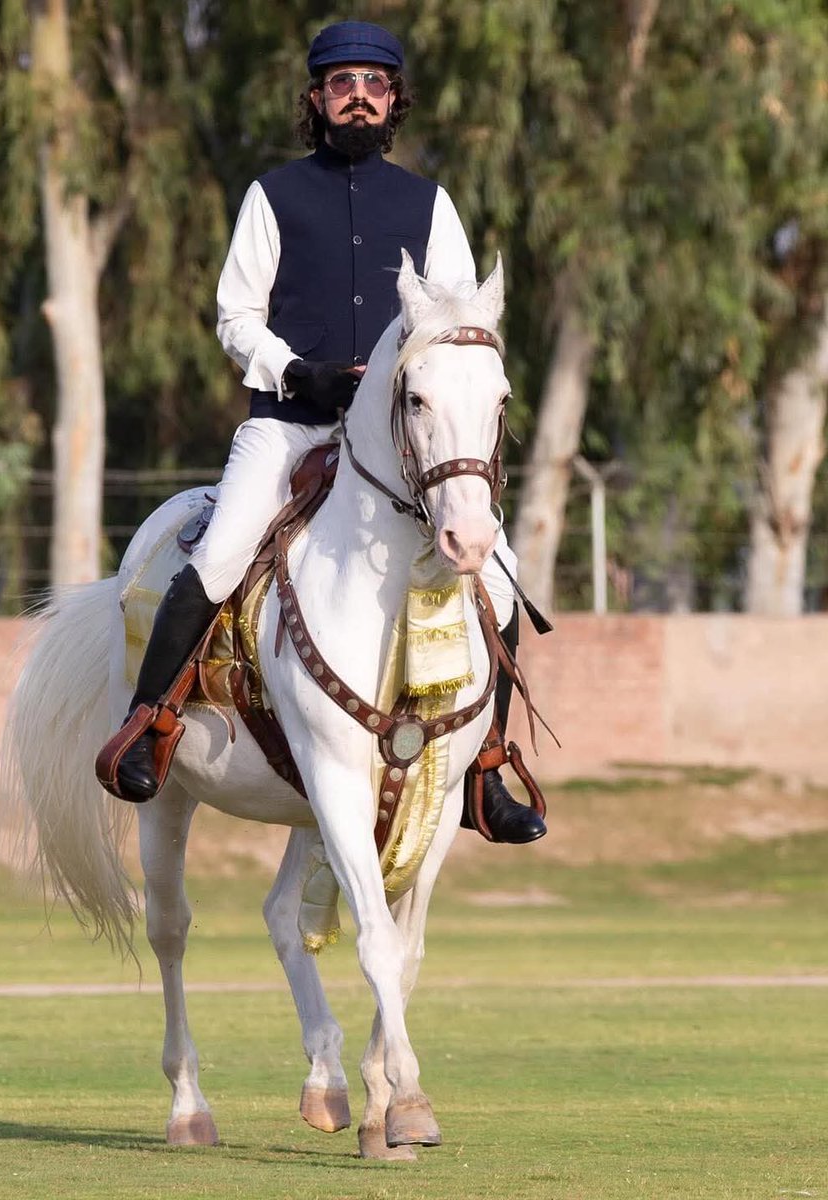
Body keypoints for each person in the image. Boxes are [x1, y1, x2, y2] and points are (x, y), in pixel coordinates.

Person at [109, 20, 545, 845]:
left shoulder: (431, 204)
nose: (359, 97)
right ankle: (149, 722)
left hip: (400, 448)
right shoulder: (271, 195)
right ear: (316, 99)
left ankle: (485, 771)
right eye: (342, 83)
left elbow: (459, 321)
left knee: (500, 575)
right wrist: (294, 371)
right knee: (220, 555)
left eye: (375, 84)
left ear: (394, 100)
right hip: (289, 428)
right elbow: (235, 315)